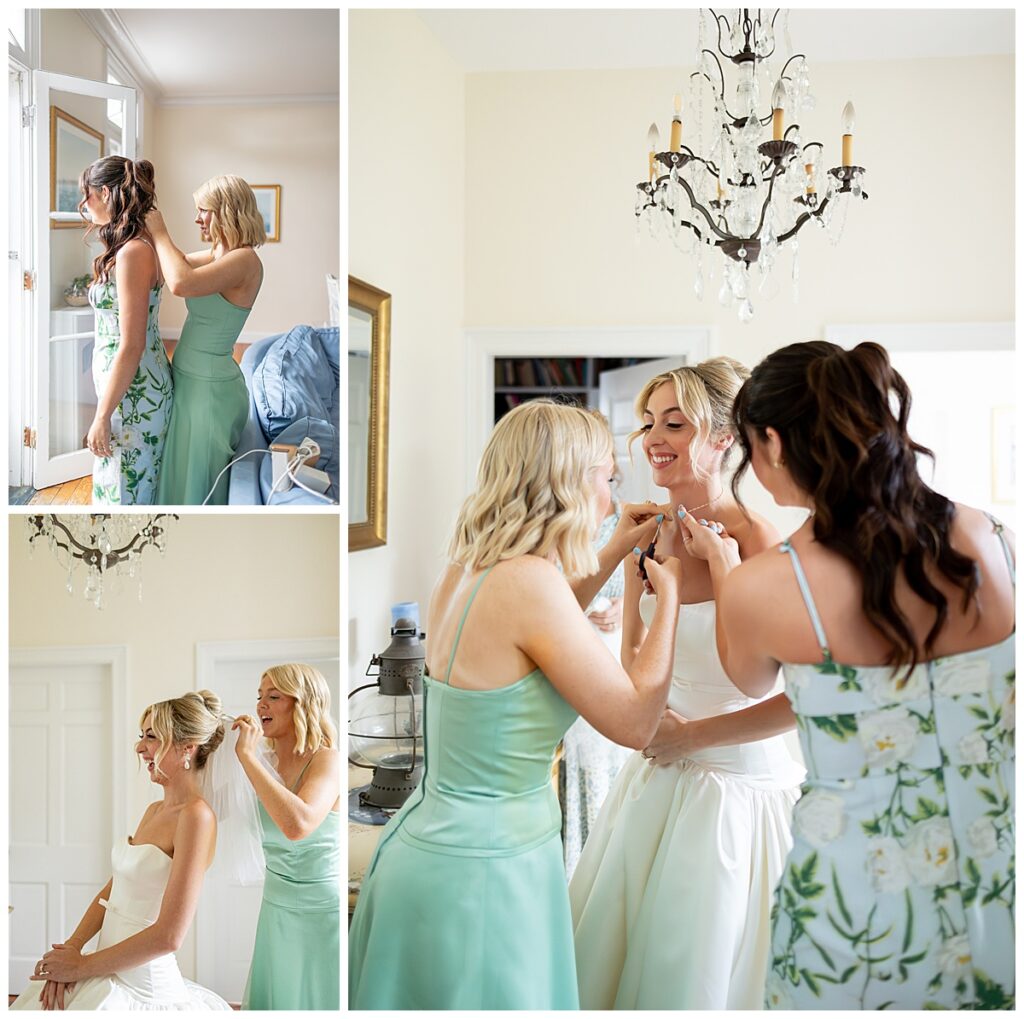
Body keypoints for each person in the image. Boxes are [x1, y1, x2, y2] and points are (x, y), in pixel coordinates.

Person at [690, 341, 1015, 1009]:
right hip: (994, 889)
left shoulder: (765, 586)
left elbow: (749, 680)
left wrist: (722, 572)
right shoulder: (988, 538)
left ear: (773, 444)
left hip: (851, 914)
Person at [348, 399, 681, 1010]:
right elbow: (636, 721)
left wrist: (610, 554)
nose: (611, 500)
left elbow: (541, 630)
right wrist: (672, 600)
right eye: (607, 479)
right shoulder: (528, 585)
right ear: (570, 483)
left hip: (428, 849)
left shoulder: (471, 566)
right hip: (482, 874)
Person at [569, 358, 805, 1010]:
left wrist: (689, 738)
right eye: (648, 421)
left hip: (733, 795)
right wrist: (632, 587)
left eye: (675, 422)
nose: (652, 438)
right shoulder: (650, 533)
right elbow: (634, 667)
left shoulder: (762, 543)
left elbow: (795, 703)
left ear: (726, 437)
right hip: (652, 784)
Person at [10, 691, 232, 1010]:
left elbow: (169, 936)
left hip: (143, 987)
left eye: (152, 737)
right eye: (141, 736)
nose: (140, 747)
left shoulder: (197, 817)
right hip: (103, 967)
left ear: (187, 747)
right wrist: (71, 949)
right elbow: (114, 889)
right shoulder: (154, 810)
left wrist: (80, 967)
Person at [145, 175, 265, 505]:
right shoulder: (219, 253)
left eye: (203, 210)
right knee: (182, 479)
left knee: (195, 487)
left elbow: (181, 282)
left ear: (227, 211)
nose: (197, 218)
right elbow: (175, 263)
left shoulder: (245, 260)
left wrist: (159, 231)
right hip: (192, 382)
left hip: (208, 393)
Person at [231, 664, 340, 1010]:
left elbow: (298, 825)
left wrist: (247, 757)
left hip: (323, 912)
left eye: (274, 696)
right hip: (275, 909)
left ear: (304, 703)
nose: (261, 705)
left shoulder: (328, 760)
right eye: (259, 697)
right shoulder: (262, 761)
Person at [79, 157, 172, 505]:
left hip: (134, 397)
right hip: (130, 388)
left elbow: (131, 345)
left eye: (87, 196)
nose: (85, 206)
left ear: (104, 193)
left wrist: (102, 416)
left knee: (123, 496)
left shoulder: (134, 252)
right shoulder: (134, 244)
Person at [561, 466, 632, 879]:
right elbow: (556, 597)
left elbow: (643, 579)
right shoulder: (566, 528)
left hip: (617, 652)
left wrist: (627, 604)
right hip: (580, 649)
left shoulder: (628, 519)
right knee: (589, 765)